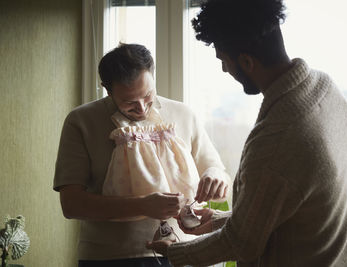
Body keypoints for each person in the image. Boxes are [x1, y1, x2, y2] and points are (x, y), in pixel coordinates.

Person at [147, 0, 347, 266]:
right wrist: (220, 220)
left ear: (247, 62)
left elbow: (240, 244)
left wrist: (174, 251)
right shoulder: (325, 88)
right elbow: (293, 206)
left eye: (223, 60)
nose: (224, 69)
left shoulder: (278, 138)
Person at [53, 43, 229, 267]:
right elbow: (71, 205)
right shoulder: (80, 121)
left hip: (184, 253)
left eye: (148, 95)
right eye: (129, 103)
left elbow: (220, 175)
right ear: (107, 90)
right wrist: (142, 206)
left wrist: (215, 176)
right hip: (109, 257)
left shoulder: (184, 114)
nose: (142, 108)